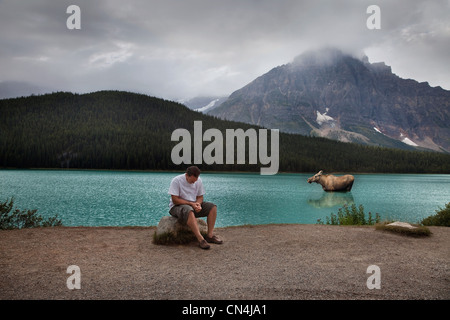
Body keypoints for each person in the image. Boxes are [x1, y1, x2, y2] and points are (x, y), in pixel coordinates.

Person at [168, 166, 223, 249]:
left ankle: (210, 236)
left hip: (192, 205)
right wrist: (191, 204)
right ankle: (201, 239)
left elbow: (200, 197)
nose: (194, 182)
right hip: (176, 207)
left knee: (212, 207)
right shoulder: (176, 180)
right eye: (192, 181)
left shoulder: (198, 180)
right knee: (189, 210)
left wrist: (198, 204)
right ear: (187, 175)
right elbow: (175, 200)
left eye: (196, 180)